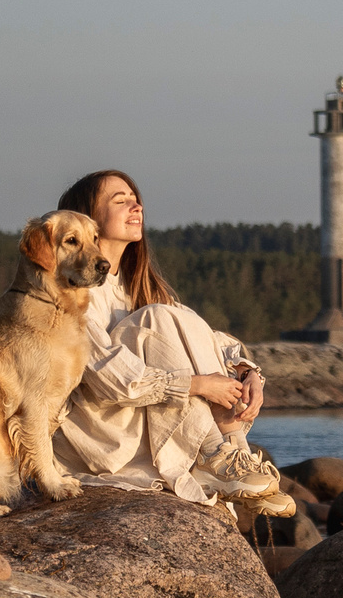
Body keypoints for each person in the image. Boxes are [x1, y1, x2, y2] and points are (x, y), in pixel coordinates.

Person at [51, 170, 294, 515]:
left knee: (174, 315)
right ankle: (214, 457)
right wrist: (197, 385)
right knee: (159, 318)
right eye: (121, 201)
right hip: (93, 433)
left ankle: (235, 458)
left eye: (136, 199)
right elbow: (109, 378)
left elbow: (205, 336)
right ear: (86, 219)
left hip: (134, 414)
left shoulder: (138, 285)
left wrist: (245, 371)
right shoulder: (72, 290)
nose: (136, 206)